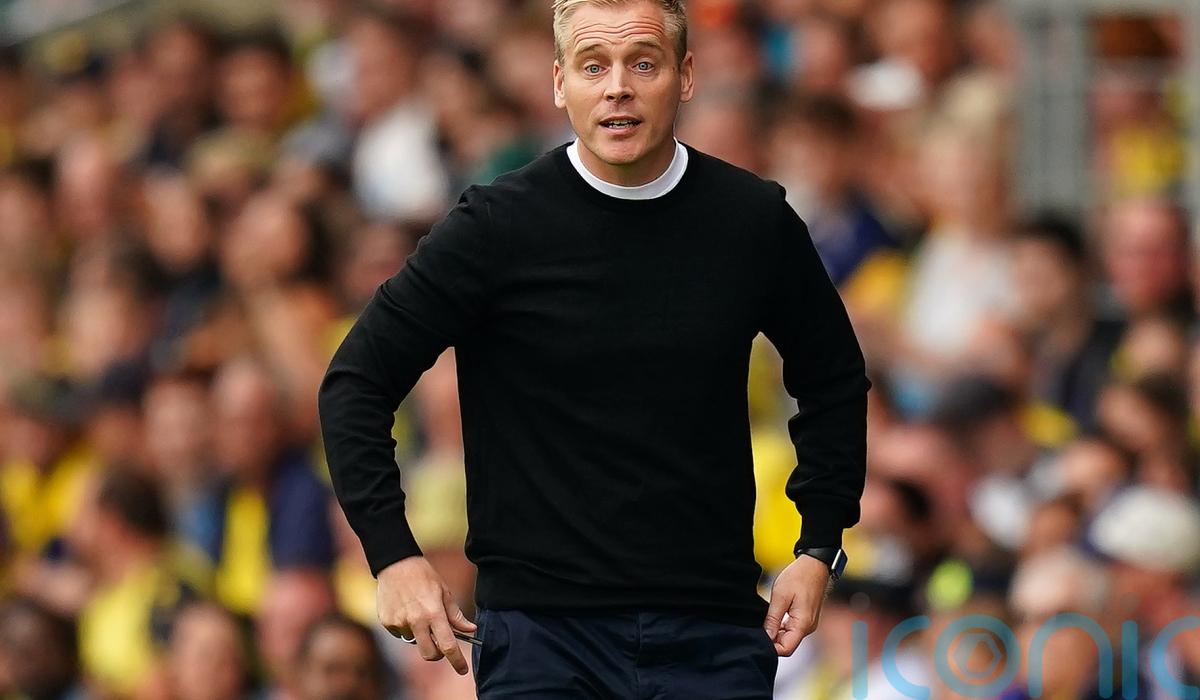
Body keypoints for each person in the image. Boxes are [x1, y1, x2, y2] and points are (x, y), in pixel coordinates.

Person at [318, 0, 870, 696]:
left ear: (685, 75)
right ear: (559, 83)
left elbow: (834, 380)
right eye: (592, 66)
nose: (617, 88)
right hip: (542, 638)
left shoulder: (754, 221)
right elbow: (355, 382)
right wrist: (393, 555)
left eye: (643, 63)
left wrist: (819, 545)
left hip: (711, 630)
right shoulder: (495, 226)